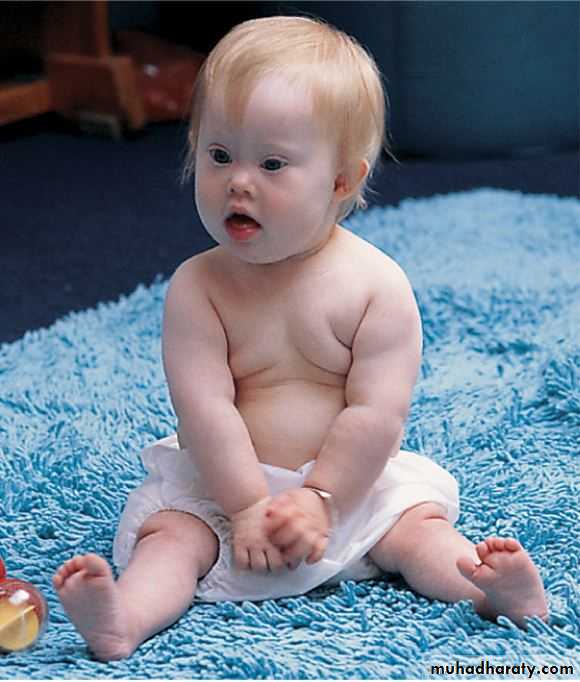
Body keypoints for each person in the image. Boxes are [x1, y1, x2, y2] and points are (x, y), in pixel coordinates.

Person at [53, 16, 548, 661]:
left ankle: (490, 592)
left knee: (415, 530)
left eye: (272, 163)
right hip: (223, 487)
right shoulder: (198, 288)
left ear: (341, 182)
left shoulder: (375, 286)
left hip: (351, 489)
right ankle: (125, 617)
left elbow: (375, 414)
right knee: (172, 537)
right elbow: (205, 410)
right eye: (219, 155)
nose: (239, 181)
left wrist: (321, 499)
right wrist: (245, 507)